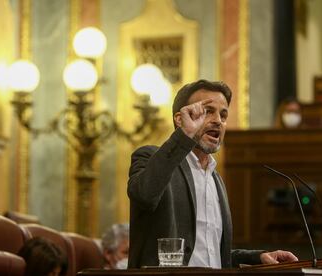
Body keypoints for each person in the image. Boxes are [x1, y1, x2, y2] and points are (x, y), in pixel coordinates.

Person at [127, 79, 298, 268]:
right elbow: (144, 195)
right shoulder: (150, 157)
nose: (218, 120)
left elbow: (213, 255)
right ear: (180, 119)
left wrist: (258, 257)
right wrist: (184, 135)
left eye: (223, 115)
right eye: (208, 112)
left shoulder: (215, 179)